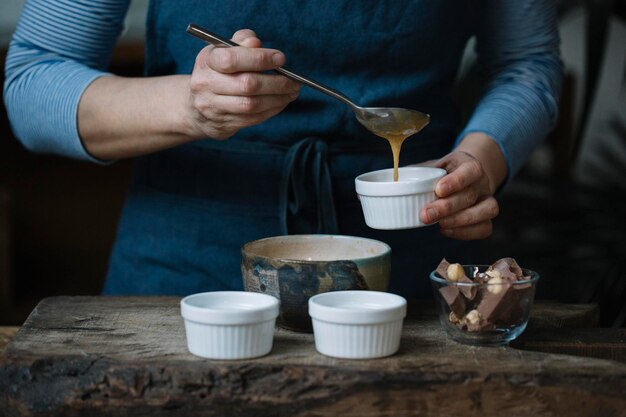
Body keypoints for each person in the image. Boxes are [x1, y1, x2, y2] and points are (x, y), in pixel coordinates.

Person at [4, 0, 562, 298]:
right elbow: (32, 86)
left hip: (405, 270)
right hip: (184, 275)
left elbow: (525, 65)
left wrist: (481, 161)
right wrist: (191, 106)